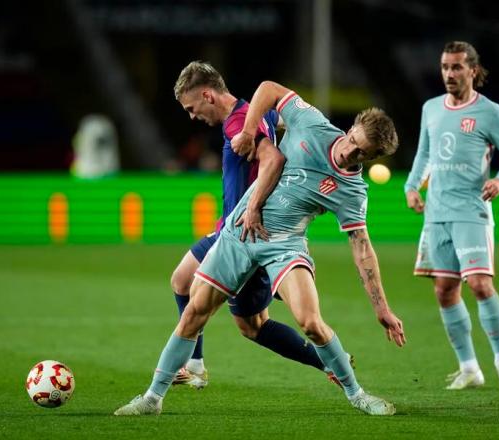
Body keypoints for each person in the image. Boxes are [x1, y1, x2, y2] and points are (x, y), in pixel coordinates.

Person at [114, 80, 405, 417]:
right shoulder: (311, 122)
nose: (349, 152)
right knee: (194, 312)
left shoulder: (353, 192)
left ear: (371, 158)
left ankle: (358, 395)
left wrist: (381, 308)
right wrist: (250, 131)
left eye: (361, 154)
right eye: (352, 141)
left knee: (310, 322)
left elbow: (362, 248)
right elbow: (268, 88)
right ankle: (153, 399)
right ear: (351, 127)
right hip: (239, 233)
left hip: (286, 244)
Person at [167, 61, 342, 389]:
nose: (192, 117)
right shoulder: (252, 113)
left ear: (208, 95)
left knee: (254, 326)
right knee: (182, 280)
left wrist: (255, 207)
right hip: (229, 227)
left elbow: (273, 159)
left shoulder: (237, 124)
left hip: (248, 232)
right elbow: (280, 122)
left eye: (192, 108)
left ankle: (329, 361)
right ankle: (195, 365)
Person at [404, 41, 499, 392]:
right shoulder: (431, 108)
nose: (449, 74)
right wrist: (412, 187)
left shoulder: (491, 112)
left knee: (480, 284)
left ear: (473, 70)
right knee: (444, 289)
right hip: (437, 212)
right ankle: (469, 368)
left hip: (472, 211)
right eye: (444, 67)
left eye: (456, 67)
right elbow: (424, 154)